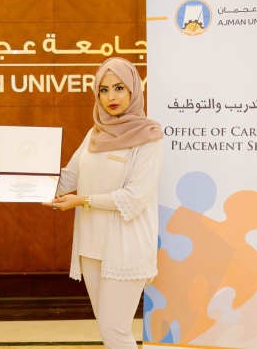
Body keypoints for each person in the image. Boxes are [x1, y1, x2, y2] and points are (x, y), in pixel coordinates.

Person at [43, 57, 164, 348]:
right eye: (104, 89)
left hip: (126, 245)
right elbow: (68, 179)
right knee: (108, 330)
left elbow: (134, 198)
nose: (111, 97)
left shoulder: (149, 137)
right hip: (92, 244)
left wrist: (83, 201)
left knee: (115, 330)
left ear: (134, 90)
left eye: (119, 88)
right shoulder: (94, 133)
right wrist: (18, 168)